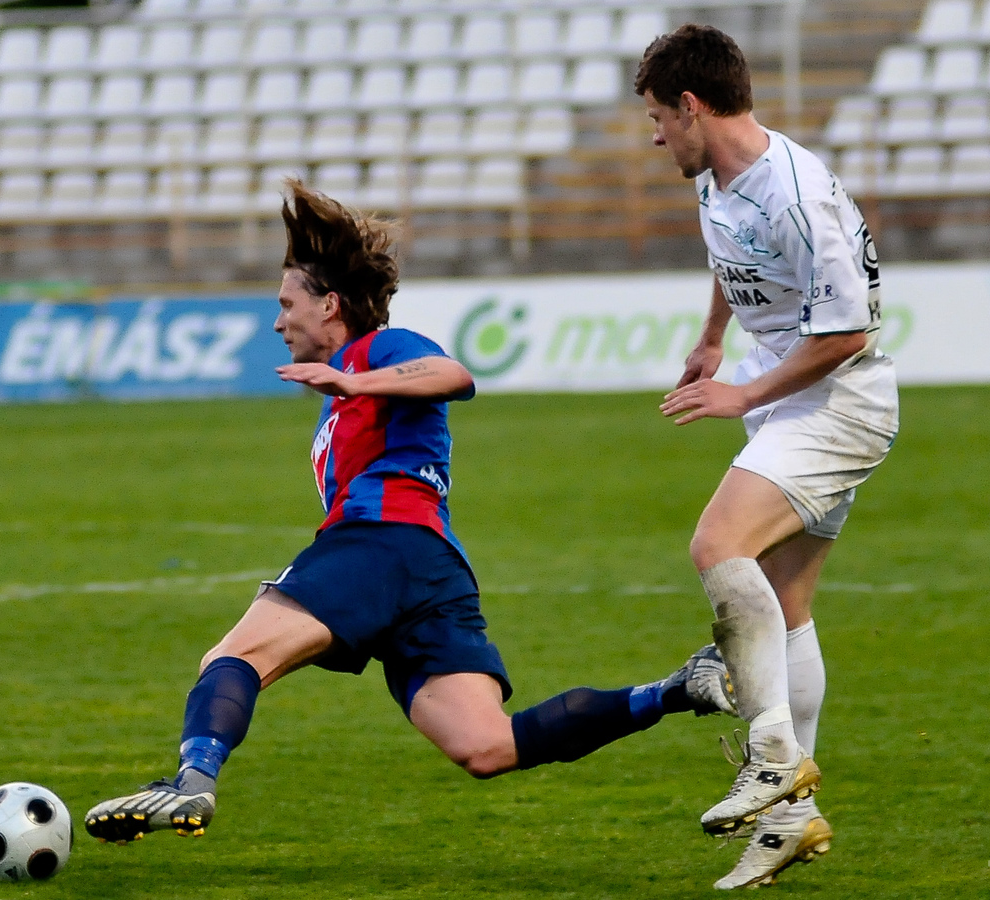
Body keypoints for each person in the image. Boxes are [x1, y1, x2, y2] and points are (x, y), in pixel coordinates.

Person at [83, 181, 736, 848]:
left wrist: (354, 380)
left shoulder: (376, 351)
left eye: (286, 305)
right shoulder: (346, 386)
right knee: (487, 745)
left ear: (330, 305)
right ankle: (677, 689)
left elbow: (454, 375)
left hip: (379, 544)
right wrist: (349, 388)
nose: (278, 322)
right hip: (429, 566)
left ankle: (191, 781)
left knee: (233, 655)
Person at [635, 24, 901, 890]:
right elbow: (732, 252)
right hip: (795, 400)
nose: (654, 137)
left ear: (691, 105)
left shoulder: (796, 192)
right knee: (786, 609)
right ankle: (791, 820)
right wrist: (713, 338)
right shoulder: (718, 177)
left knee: (717, 545)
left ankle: (773, 755)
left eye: (658, 118)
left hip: (839, 402)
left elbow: (849, 330)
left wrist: (743, 394)